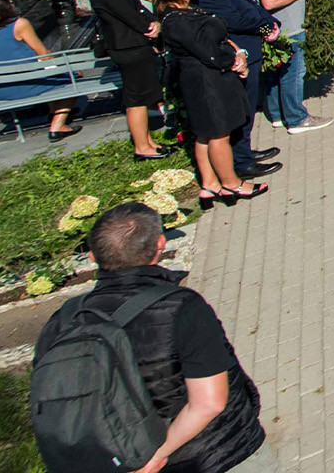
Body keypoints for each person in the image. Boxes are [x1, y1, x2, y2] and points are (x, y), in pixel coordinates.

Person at [42, 202, 271, 473]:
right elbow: (209, 403)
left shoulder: (64, 319)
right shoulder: (182, 307)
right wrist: (154, 457)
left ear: (92, 257)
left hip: (113, 460)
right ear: (160, 244)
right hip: (215, 454)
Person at [155, 0, 268, 206]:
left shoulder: (185, 12)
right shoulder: (177, 21)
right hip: (208, 82)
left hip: (206, 78)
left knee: (205, 134)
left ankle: (209, 184)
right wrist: (235, 62)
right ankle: (231, 183)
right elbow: (209, 53)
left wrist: (239, 52)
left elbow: (217, 41)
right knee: (219, 134)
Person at [236, 0, 328, 135]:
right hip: (288, 26)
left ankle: (277, 114)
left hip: (277, 27)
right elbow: (269, 1)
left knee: (275, 73)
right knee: (293, 72)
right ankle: (296, 118)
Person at [83, 0, 169, 160]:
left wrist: (152, 21)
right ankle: (142, 146)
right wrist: (149, 27)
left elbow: (137, 7)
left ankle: (148, 141)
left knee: (144, 94)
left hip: (133, 44)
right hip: (128, 45)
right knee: (138, 99)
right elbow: (128, 14)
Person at [0, 0, 80, 140]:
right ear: (4, 8)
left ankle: (54, 113)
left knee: (48, 76)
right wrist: (66, 65)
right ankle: (58, 125)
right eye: (10, 2)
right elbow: (44, 55)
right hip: (23, 85)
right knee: (72, 77)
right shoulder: (19, 24)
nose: (13, 5)